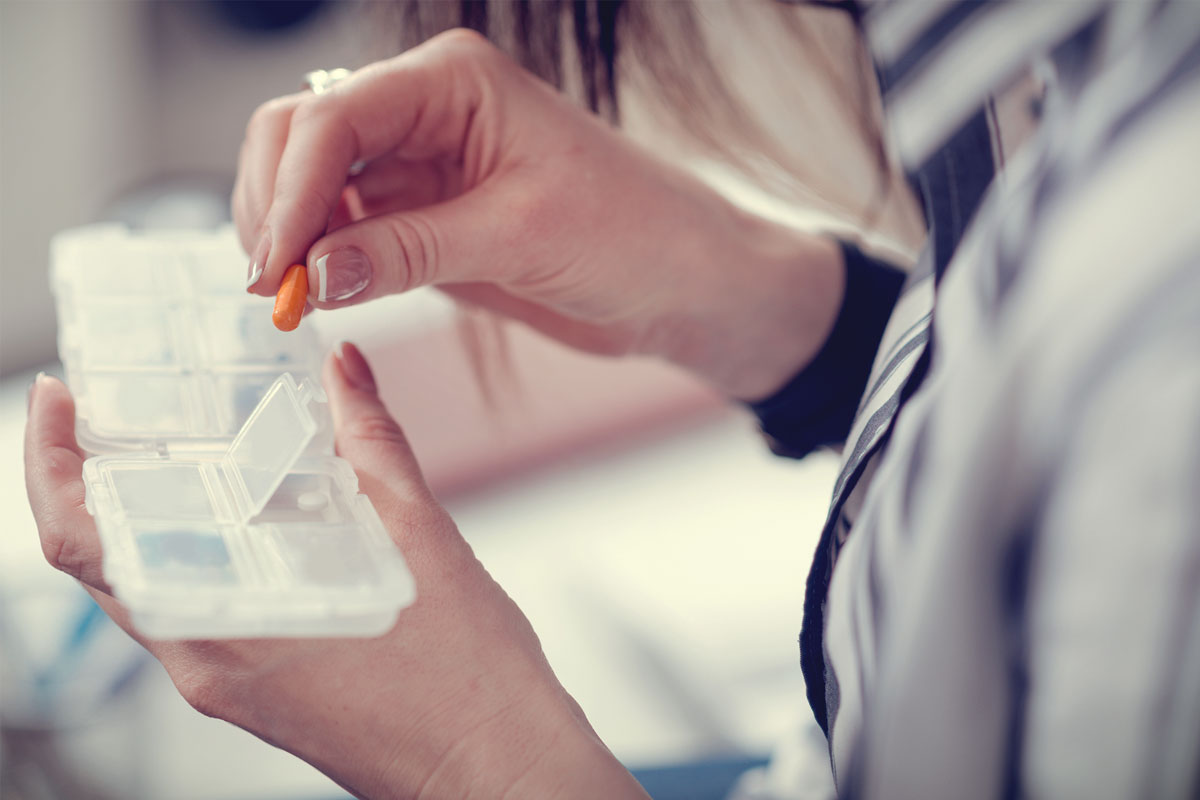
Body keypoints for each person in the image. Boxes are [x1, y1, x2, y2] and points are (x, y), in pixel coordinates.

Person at [25, 1, 1200, 797]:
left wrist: (481, 757)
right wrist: (773, 307)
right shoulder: (1082, 70)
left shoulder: (1159, 317)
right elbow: (1017, 453)